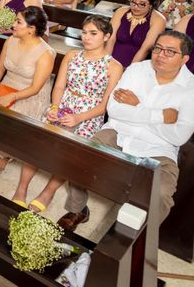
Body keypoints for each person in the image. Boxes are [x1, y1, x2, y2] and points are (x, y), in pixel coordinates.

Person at [57, 31, 194, 231]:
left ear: (184, 59)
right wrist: (161, 116)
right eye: (158, 48)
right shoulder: (136, 70)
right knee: (79, 158)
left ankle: (137, 239)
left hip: (158, 149)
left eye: (170, 51)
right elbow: (114, 109)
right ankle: (78, 209)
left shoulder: (190, 88)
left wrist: (136, 107)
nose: (160, 55)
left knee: (162, 193)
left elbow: (179, 135)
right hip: (117, 134)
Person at [12, 16, 123, 212]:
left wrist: (78, 118)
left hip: (89, 113)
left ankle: (48, 192)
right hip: (63, 103)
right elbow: (60, 85)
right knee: (39, 144)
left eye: (93, 33)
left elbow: (106, 104)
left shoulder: (113, 66)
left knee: (68, 153)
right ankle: (21, 189)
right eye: (84, 32)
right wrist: (55, 107)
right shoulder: (72, 55)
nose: (86, 37)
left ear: (106, 36)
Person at [0, 6, 55, 173]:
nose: (13, 24)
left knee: (10, 117)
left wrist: (13, 97)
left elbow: (36, 88)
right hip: (7, 85)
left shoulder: (45, 53)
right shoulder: (11, 40)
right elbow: (0, 68)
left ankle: (3, 156)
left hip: (28, 93)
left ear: (31, 29)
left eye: (18, 22)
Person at [107, 0, 166, 68]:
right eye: (133, 2)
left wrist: (129, 71)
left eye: (142, 4)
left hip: (137, 65)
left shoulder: (158, 20)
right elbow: (110, 40)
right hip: (112, 60)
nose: (135, 7)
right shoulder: (121, 12)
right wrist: (106, 62)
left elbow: (145, 49)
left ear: (151, 4)